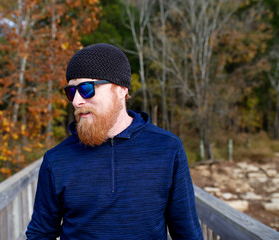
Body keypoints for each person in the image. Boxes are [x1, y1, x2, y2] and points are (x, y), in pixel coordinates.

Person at [26, 43, 203, 240]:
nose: (76, 101)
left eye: (86, 88)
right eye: (71, 91)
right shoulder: (57, 159)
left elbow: (187, 233)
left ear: (120, 90)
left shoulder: (167, 149)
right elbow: (40, 233)